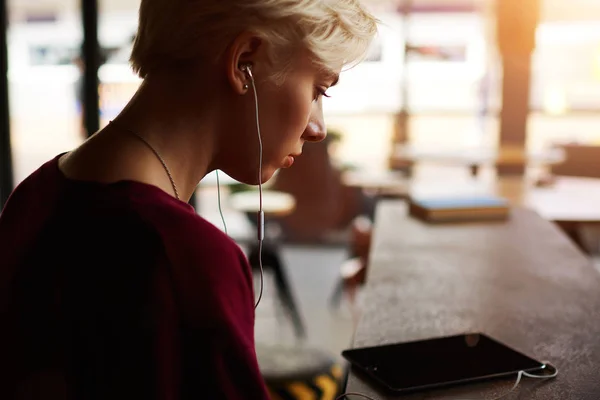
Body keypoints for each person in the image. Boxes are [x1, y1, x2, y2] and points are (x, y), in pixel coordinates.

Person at [0, 0, 378, 399]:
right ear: (243, 61)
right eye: (318, 90)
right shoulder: (185, 259)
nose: (318, 128)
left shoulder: (35, 194)